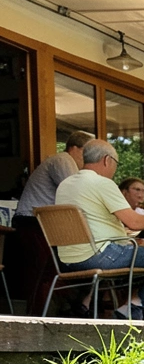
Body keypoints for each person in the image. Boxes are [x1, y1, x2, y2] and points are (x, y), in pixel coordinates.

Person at [52, 139, 144, 320]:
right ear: (107, 160)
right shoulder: (102, 183)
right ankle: (137, 308)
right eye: (116, 163)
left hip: (67, 258)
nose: (115, 169)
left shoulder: (65, 185)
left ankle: (136, 307)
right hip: (102, 254)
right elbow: (134, 223)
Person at [14, 130, 93, 315]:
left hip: (43, 223)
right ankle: (36, 318)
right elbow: (76, 193)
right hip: (33, 222)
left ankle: (67, 310)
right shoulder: (63, 160)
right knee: (44, 273)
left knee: (52, 270)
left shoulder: (63, 162)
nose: (88, 159)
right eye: (87, 153)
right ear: (75, 148)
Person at [117, 178, 144, 248]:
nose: (141, 195)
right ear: (124, 192)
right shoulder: (118, 211)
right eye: (137, 190)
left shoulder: (143, 211)